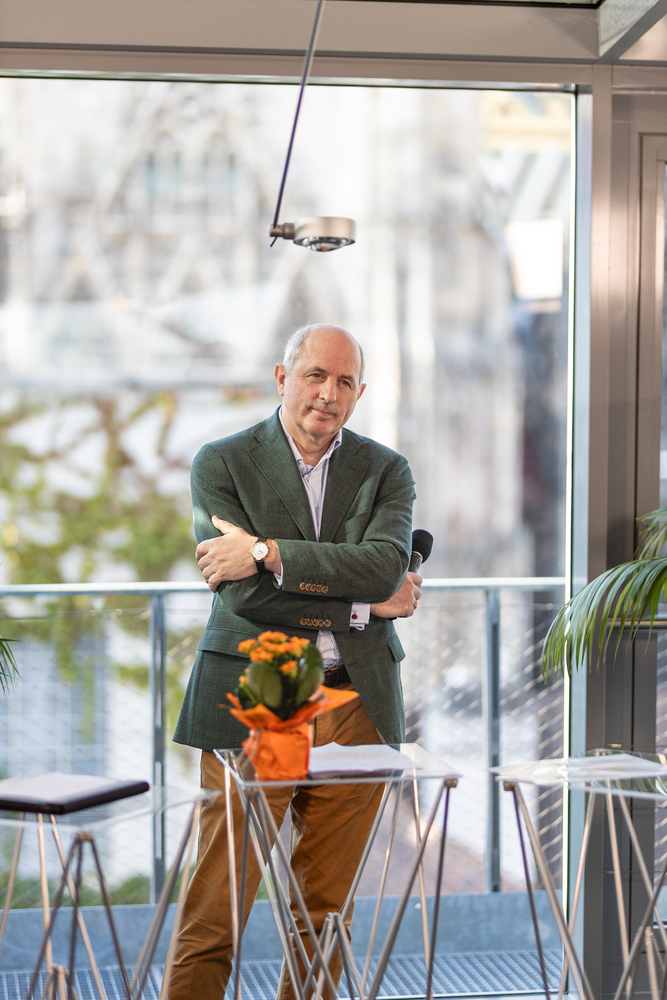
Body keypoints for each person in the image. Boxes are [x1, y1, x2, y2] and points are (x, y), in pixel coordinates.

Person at [168, 323, 422, 1000]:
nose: (328, 394)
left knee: (325, 913)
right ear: (283, 378)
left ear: (360, 392)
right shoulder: (222, 462)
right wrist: (363, 607)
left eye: (344, 382)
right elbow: (243, 595)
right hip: (267, 697)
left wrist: (267, 552)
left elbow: (384, 566)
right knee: (218, 905)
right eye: (315, 375)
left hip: (356, 703)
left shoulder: (385, 470)